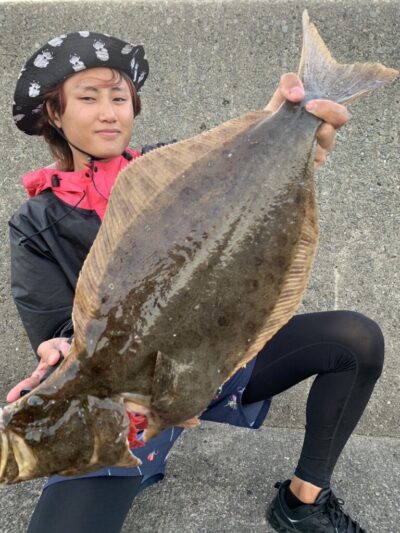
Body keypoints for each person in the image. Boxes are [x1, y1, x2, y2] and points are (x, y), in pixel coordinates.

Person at [7, 32, 384, 533]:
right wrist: (57, 356)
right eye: (88, 98)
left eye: (119, 98)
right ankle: (132, 465)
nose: (108, 113)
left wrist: (290, 126)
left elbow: (251, 172)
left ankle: (303, 502)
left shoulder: (174, 166)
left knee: (356, 341)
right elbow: (57, 326)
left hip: (222, 359)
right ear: (54, 115)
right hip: (127, 399)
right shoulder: (34, 221)